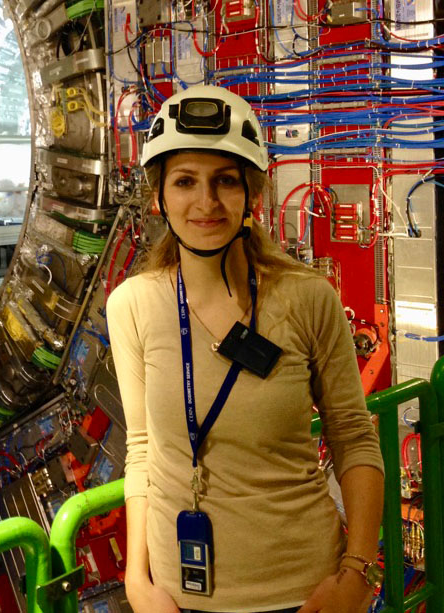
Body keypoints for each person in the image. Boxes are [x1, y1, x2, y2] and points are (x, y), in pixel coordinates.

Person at [106, 85, 385, 613]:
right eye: (185, 181)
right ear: (158, 196)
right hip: (177, 595)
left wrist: (356, 572)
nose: (206, 202)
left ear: (250, 195)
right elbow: (142, 450)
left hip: (302, 593)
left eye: (225, 181)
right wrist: (137, 579)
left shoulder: (308, 299)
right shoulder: (133, 307)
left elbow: (353, 435)